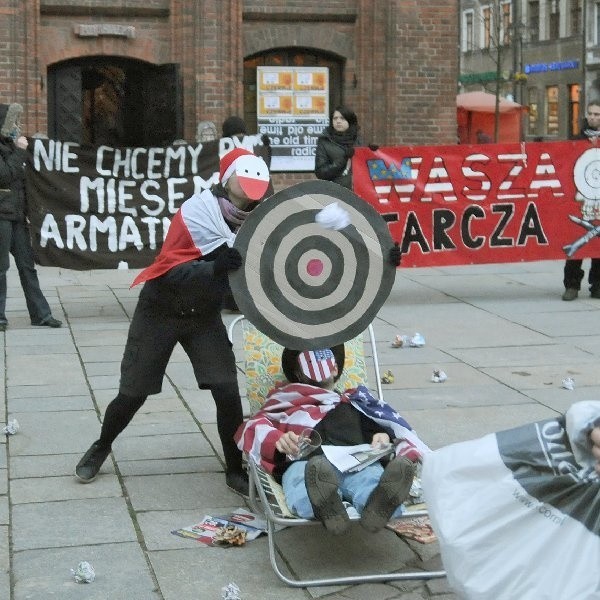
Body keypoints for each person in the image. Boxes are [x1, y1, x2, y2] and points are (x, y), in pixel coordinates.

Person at [75, 148, 271, 496]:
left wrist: (380, 256)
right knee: (133, 391)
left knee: (226, 389)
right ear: (226, 188)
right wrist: (214, 266)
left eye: (252, 206)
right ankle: (101, 445)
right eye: (242, 202)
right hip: (161, 310)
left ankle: (234, 467)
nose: (247, 210)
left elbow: (289, 255)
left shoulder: (254, 225)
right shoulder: (195, 215)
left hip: (202, 315)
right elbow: (167, 272)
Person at [235, 344, 428, 535]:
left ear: (335, 368)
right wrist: (278, 439)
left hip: (357, 461)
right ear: (299, 374)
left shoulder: (356, 403)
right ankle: (327, 507)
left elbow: (385, 428)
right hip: (307, 464)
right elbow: (252, 427)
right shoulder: (284, 401)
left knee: (371, 481)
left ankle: (378, 507)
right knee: (302, 485)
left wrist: (382, 436)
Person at [0, 103, 62, 332]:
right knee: (1, 268)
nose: (17, 127)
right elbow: (4, 176)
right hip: (2, 216)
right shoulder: (13, 149)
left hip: (16, 215)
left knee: (27, 266)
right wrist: (19, 151)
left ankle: (40, 314)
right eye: (12, 122)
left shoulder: (11, 146)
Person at [562, 100, 600, 301]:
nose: (593, 117)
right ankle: (572, 285)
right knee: (575, 243)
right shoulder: (576, 139)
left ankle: (598, 285)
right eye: (591, 114)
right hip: (580, 200)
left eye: (597, 114)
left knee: (599, 247)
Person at [315, 105, 362, 190]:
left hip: (358, 192)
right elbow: (321, 173)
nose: (338, 121)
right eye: (335, 118)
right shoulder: (325, 142)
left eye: (342, 118)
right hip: (336, 192)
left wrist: (372, 152)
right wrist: (342, 160)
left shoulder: (358, 140)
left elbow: (366, 168)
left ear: (350, 120)